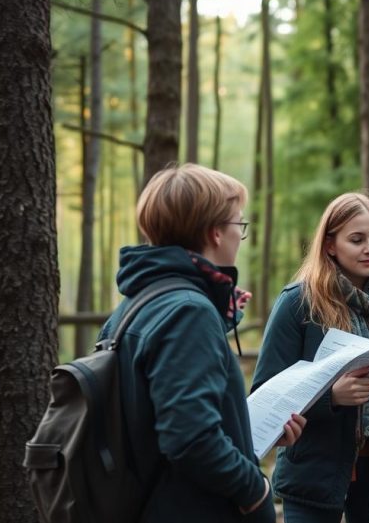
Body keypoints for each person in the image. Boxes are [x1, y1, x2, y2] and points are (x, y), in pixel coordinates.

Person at [98, 163, 305, 522]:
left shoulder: (136, 305)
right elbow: (191, 439)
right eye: (239, 225)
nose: (240, 237)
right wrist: (255, 490)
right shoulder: (188, 313)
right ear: (215, 233)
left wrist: (250, 435)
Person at [252, 192, 369, 523]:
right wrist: (330, 398)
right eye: (357, 239)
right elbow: (267, 392)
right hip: (314, 473)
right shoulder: (298, 303)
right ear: (330, 245)